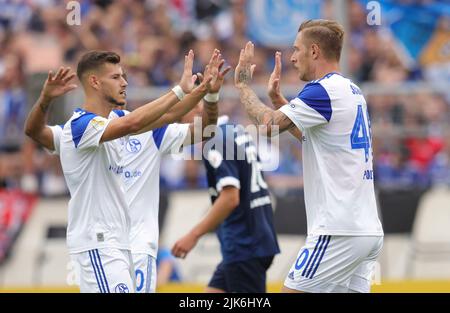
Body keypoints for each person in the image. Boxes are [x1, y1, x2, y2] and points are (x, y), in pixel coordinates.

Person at [25, 49, 230, 293]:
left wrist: (203, 91)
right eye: (115, 77)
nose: (124, 83)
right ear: (94, 82)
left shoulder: (121, 120)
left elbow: (169, 116)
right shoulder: (80, 127)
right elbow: (36, 131)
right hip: (98, 242)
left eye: (123, 77)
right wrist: (178, 90)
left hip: (122, 244)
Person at [234, 19, 384, 293]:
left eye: (296, 49)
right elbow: (315, 138)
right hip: (366, 230)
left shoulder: (321, 90)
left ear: (314, 51)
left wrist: (243, 87)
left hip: (338, 230)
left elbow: (268, 127)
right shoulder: (352, 91)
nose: (291, 57)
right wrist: (281, 103)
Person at [171, 121, 280, 293]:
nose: (178, 121)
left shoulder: (216, 140)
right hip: (256, 239)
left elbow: (230, 198)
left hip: (243, 246)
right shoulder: (235, 129)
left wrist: (193, 235)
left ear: (199, 107)